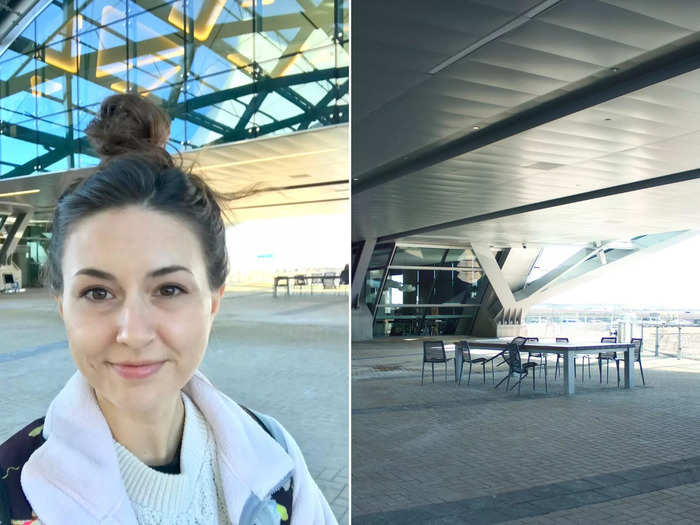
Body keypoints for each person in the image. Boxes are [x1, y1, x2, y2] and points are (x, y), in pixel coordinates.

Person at [0, 95, 337, 525]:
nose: (134, 333)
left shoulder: (278, 459)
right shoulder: (11, 491)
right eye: (98, 293)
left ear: (214, 300)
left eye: (170, 289)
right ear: (62, 305)